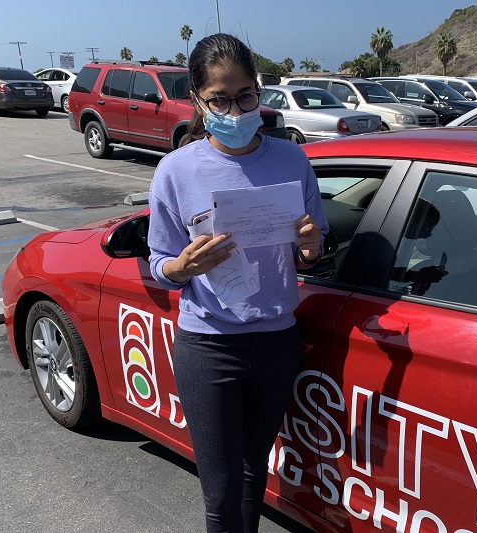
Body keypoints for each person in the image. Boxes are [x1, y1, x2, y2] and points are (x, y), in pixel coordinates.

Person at [146, 33, 328, 533]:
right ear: (197, 101)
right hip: (209, 346)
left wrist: (310, 247)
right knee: (222, 493)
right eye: (220, 99)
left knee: (254, 475)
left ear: (259, 89)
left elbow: (310, 247)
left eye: (246, 94)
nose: (236, 108)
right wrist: (181, 269)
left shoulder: (291, 159)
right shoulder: (175, 171)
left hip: (276, 341)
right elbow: (158, 260)